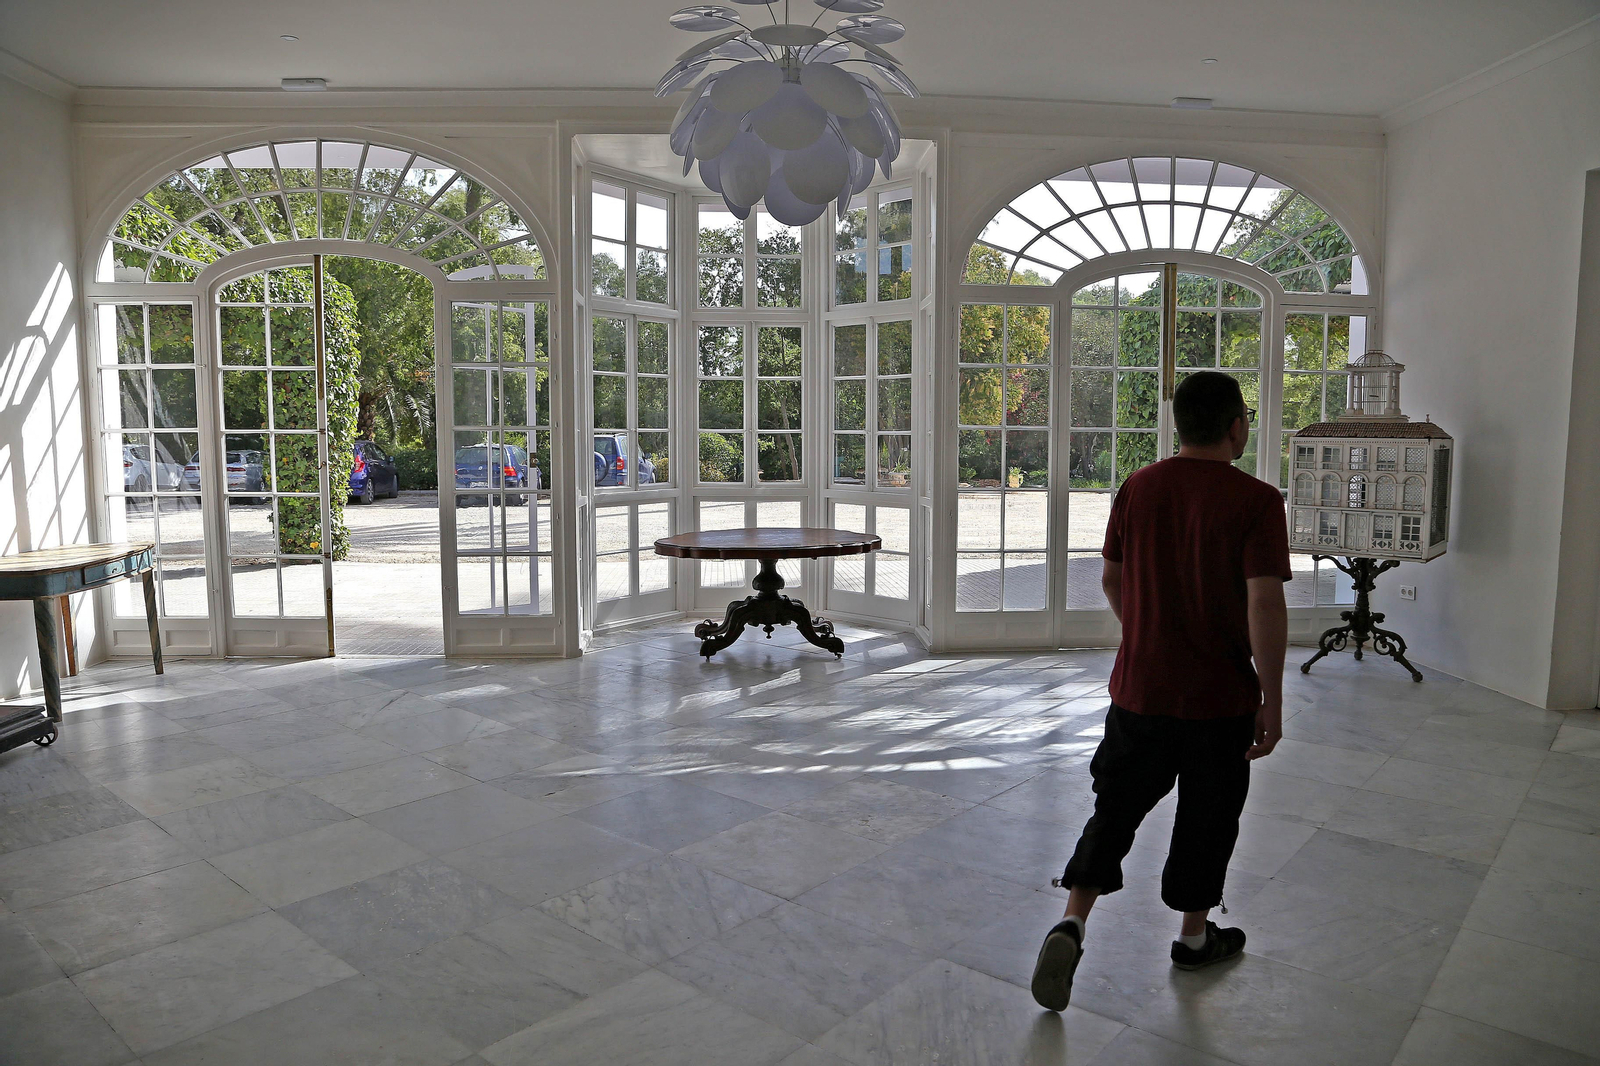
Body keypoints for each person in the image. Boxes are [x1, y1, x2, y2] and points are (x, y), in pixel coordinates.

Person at [1031, 370, 1290, 1012]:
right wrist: (1272, 697)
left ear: (1179, 425)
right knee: (1208, 815)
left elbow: (1113, 579)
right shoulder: (1256, 500)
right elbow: (1264, 601)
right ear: (1237, 426)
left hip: (1140, 688)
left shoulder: (1138, 486)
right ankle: (1194, 939)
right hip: (1220, 699)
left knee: (1114, 806)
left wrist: (1146, 633)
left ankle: (1072, 920)